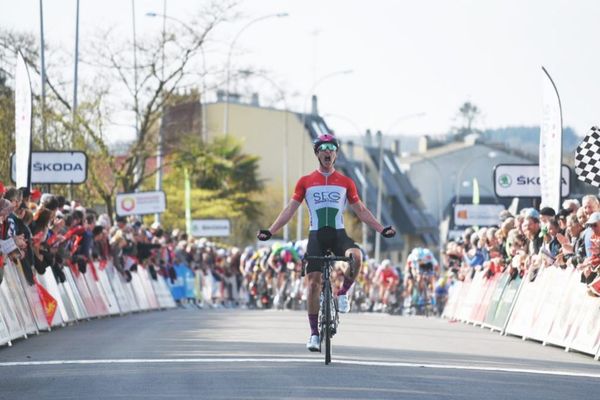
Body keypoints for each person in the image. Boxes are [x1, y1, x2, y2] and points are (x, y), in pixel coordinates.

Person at [257, 133, 396, 352]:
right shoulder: (305, 181)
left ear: (336, 154)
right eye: (323, 148)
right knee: (313, 282)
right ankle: (313, 334)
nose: (328, 151)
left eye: (332, 148)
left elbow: (361, 211)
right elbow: (289, 211)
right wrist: (271, 231)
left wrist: (381, 229)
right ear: (317, 153)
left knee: (356, 257)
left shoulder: (345, 182)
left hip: (339, 234)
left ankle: (342, 294)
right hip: (316, 236)